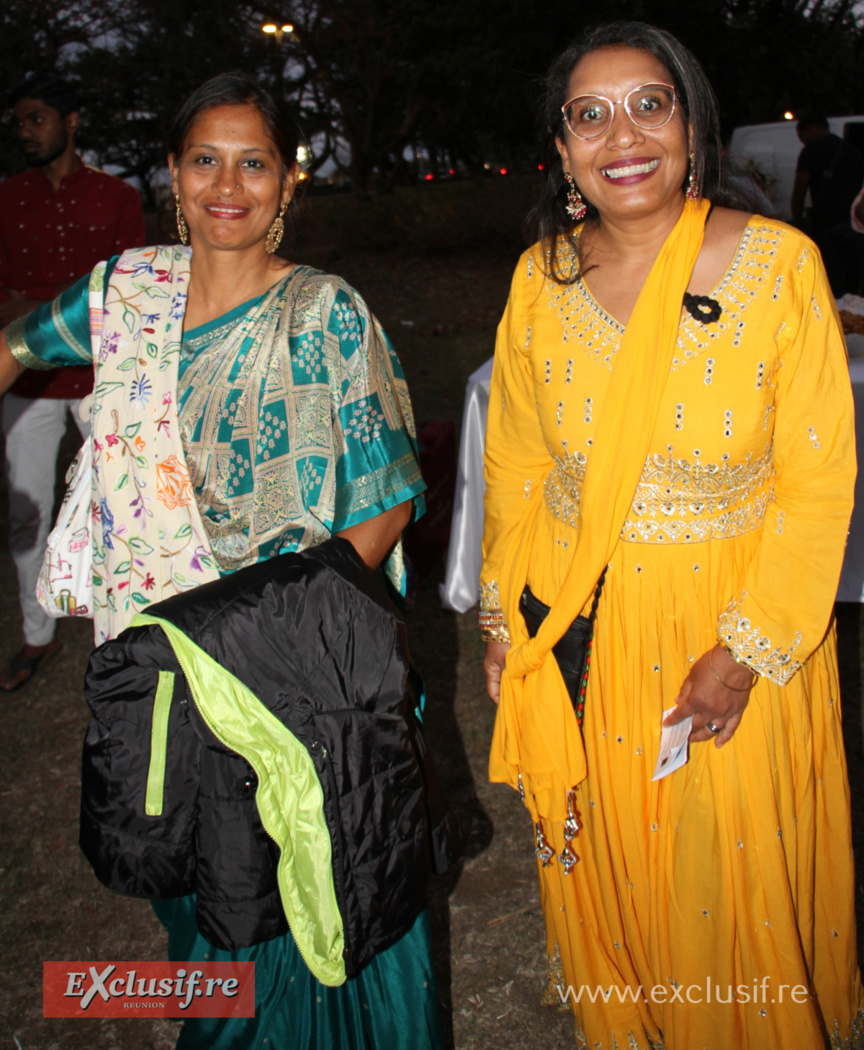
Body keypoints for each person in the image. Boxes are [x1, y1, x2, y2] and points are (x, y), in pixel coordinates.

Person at [0, 73, 444, 1049]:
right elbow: (16, 347)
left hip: (290, 673)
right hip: (158, 665)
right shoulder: (128, 292)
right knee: (197, 897)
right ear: (172, 173)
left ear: (289, 184)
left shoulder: (327, 313)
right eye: (206, 159)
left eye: (255, 163)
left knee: (306, 913)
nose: (227, 184)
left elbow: (387, 500)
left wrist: (271, 642)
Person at [480, 22, 861, 1050]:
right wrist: (501, 621)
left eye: (649, 103)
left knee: (726, 880)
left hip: (730, 627)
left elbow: (819, 482)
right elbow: (514, 462)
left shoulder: (780, 267)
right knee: (611, 861)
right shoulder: (540, 280)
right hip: (579, 626)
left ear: (693, 127)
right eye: (589, 115)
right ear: (561, 153)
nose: (623, 135)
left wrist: (746, 651)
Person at [0, 72, 146, 691]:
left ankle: (130, 628)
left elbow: (130, 291)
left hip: (99, 378)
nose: (26, 131)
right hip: (29, 382)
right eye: (20, 122)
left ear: (72, 120)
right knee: (25, 511)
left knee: (121, 506)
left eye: (37, 118)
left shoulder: (115, 198)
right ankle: (38, 633)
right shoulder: (7, 198)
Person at [790, 109, 863, 295]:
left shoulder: (811, 151)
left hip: (827, 226)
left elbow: (799, 191)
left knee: (831, 284)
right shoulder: (852, 150)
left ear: (811, 129)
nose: (801, 141)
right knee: (852, 285)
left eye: (801, 136)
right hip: (854, 226)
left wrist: (797, 225)